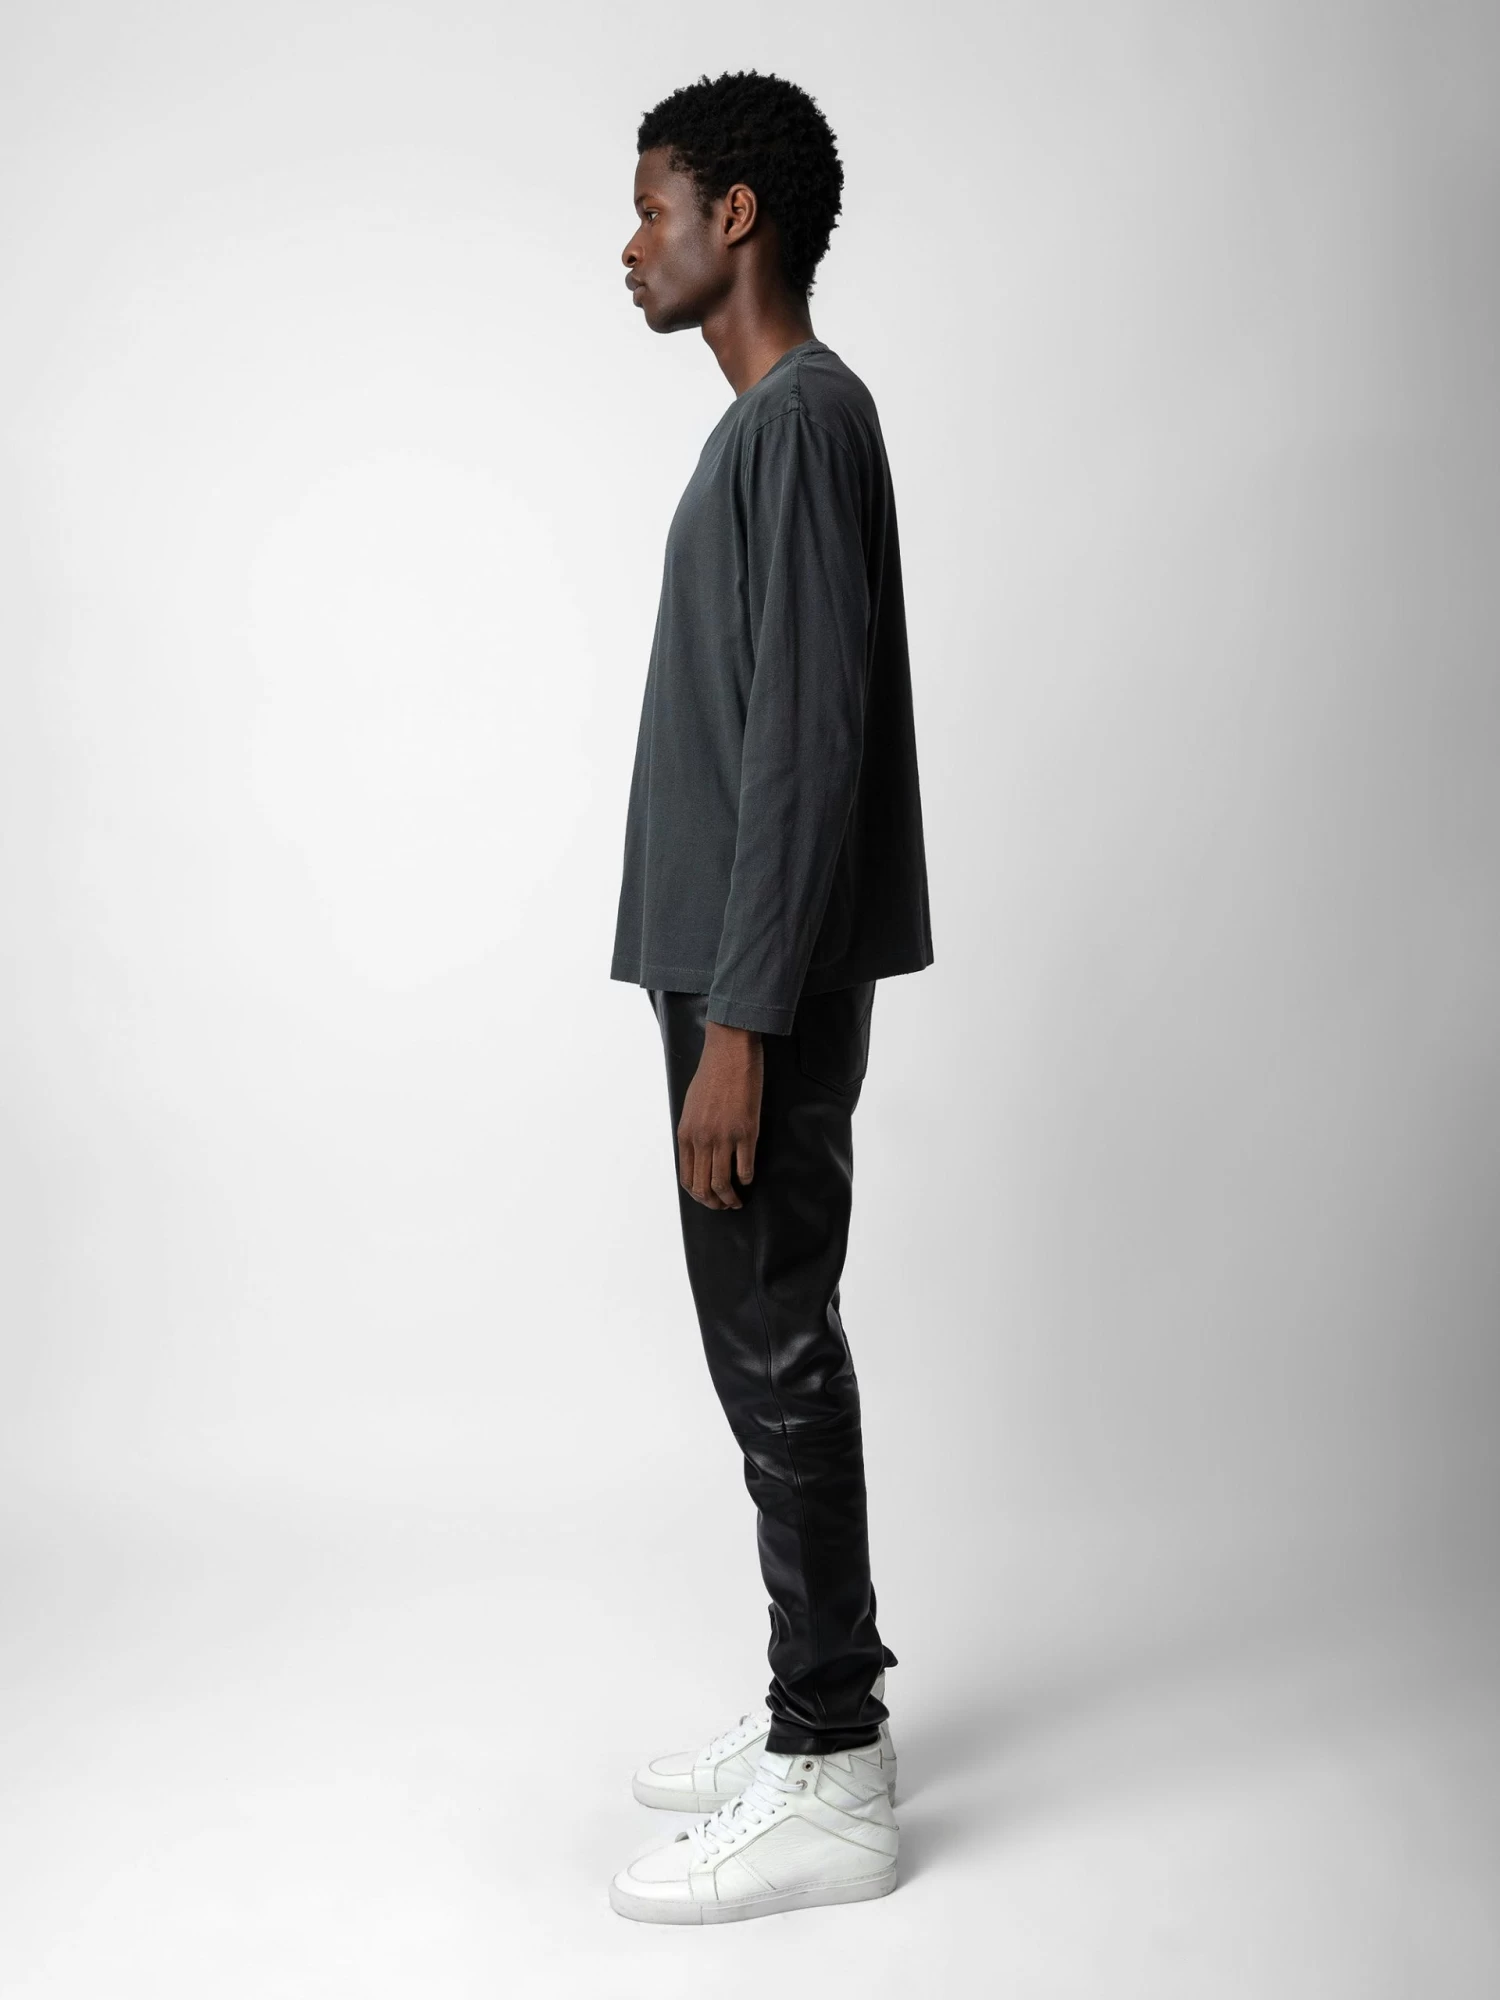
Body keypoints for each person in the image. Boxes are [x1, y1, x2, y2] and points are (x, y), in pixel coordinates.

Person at [607, 69, 934, 1925]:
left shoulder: (801, 420)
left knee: (776, 1345)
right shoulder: (771, 429)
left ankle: (832, 1769)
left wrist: (740, 1028)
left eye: (651, 207)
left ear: (736, 216)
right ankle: (821, 1712)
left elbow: (806, 740)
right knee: (766, 1342)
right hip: (731, 967)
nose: (629, 245)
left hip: (757, 988)